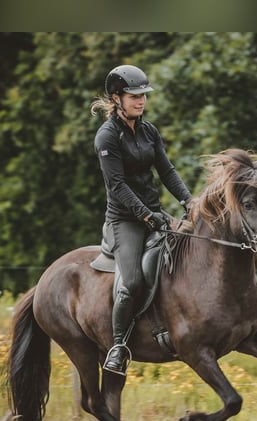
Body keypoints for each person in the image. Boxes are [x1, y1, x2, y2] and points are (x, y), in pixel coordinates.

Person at [91, 65, 192, 375]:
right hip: (126, 221)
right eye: (134, 96)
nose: (140, 101)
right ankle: (118, 347)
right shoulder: (107, 137)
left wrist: (189, 201)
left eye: (143, 96)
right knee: (132, 281)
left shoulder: (149, 131)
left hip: (154, 215)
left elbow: (167, 171)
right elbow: (117, 186)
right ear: (116, 98)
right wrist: (146, 215)